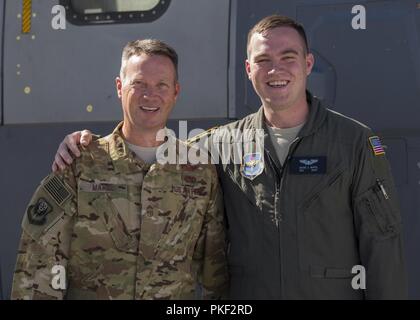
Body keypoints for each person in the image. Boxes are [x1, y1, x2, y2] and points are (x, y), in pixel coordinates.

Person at [51, 15, 407, 299]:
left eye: (288, 58)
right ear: (248, 69)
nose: (275, 70)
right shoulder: (221, 144)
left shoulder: (354, 143)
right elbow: (150, 146)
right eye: (263, 60)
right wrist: (88, 144)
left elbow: (383, 245)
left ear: (308, 63)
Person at [11, 39, 228, 300]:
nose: (150, 95)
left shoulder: (199, 172)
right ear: (119, 87)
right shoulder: (79, 163)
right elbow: (39, 263)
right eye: (139, 84)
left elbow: (215, 274)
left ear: (175, 92)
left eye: (162, 85)